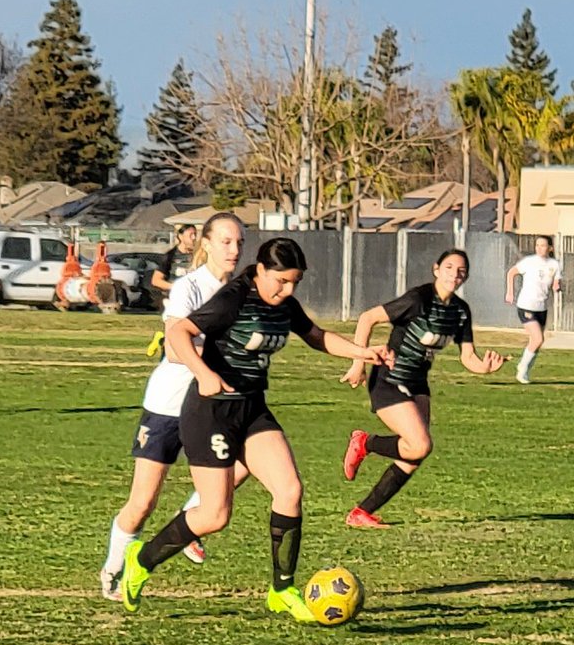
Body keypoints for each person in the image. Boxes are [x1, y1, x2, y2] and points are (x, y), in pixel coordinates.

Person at [120, 236, 393, 620]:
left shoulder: (286, 305)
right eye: (281, 281)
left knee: (289, 490)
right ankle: (141, 559)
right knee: (215, 515)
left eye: (295, 282)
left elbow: (316, 336)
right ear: (261, 270)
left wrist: (362, 352)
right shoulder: (234, 298)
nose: (287, 290)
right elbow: (179, 333)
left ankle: (282, 590)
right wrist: (204, 374)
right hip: (211, 412)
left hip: (252, 409)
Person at [100, 213, 249, 600]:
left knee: (248, 461)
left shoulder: (240, 292)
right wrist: (209, 362)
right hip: (168, 405)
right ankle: (115, 568)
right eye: (226, 241)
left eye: (239, 243)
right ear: (207, 243)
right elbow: (173, 346)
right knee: (144, 501)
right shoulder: (188, 288)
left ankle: (190, 523)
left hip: (212, 405)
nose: (234, 250)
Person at [340, 248, 504, 527]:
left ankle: (361, 513)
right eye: (449, 267)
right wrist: (359, 363)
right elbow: (367, 318)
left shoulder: (461, 312)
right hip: (389, 379)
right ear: (436, 269)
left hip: (418, 384)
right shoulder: (418, 299)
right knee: (420, 444)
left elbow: (468, 357)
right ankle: (365, 442)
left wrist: (485, 368)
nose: (455, 273)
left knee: (414, 454)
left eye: (461, 270)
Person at [505, 236, 563, 384]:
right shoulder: (529, 262)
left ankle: (525, 372)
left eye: (543, 245)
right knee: (538, 339)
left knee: (536, 342)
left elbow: (556, 281)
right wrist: (510, 292)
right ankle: (522, 368)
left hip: (541, 307)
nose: (539, 248)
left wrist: (557, 287)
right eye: (537, 245)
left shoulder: (554, 264)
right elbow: (511, 272)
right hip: (526, 305)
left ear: (550, 248)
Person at [148, 223, 198, 301]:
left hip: (194, 298)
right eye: (190, 235)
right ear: (181, 236)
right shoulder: (170, 256)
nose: (194, 237)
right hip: (176, 299)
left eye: (195, 234)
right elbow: (156, 281)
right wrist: (176, 286)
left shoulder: (198, 255)